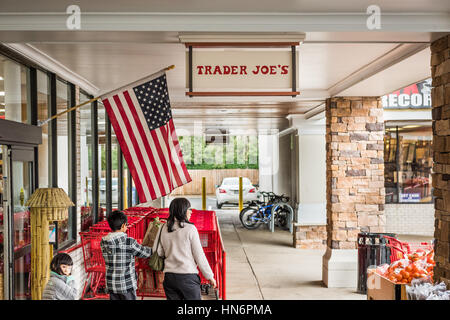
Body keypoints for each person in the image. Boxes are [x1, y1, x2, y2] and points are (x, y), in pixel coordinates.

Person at [154, 197, 217, 300]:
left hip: (169, 277)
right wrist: (209, 276)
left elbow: (158, 252)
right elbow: (199, 256)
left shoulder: (163, 228)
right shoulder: (190, 229)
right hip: (188, 277)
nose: (191, 212)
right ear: (182, 210)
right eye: (189, 208)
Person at [101, 210, 152, 300]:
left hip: (111, 285)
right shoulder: (129, 242)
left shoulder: (104, 242)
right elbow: (145, 253)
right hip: (126, 285)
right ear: (123, 225)